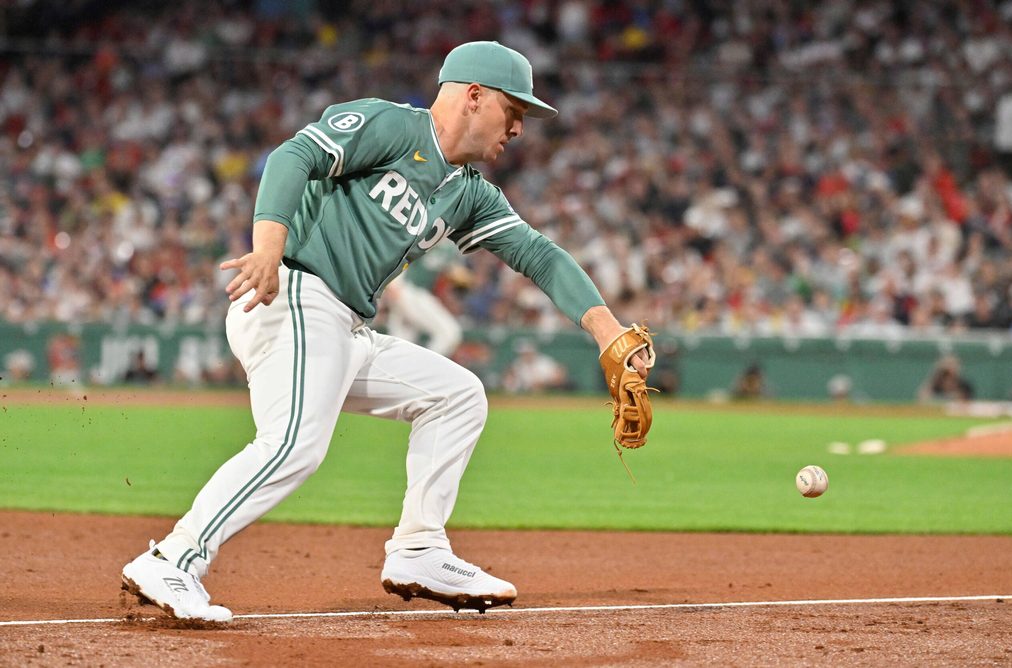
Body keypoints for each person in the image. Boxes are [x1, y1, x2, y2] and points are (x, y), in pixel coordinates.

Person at [121, 41, 650, 622]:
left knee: (457, 396)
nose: (519, 128)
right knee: (295, 441)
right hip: (294, 293)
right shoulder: (394, 126)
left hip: (345, 326)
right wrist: (268, 246)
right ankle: (175, 558)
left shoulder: (467, 190)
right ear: (474, 97)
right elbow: (293, 156)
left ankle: (419, 549)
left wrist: (607, 332)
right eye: (514, 110)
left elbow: (538, 255)